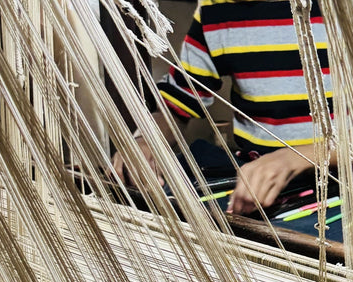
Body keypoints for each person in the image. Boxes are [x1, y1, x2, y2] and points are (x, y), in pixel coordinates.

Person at [112, 0, 333, 215]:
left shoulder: (344, 11)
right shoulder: (215, 10)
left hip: (341, 181)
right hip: (254, 183)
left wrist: (295, 158)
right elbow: (178, 103)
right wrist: (145, 141)